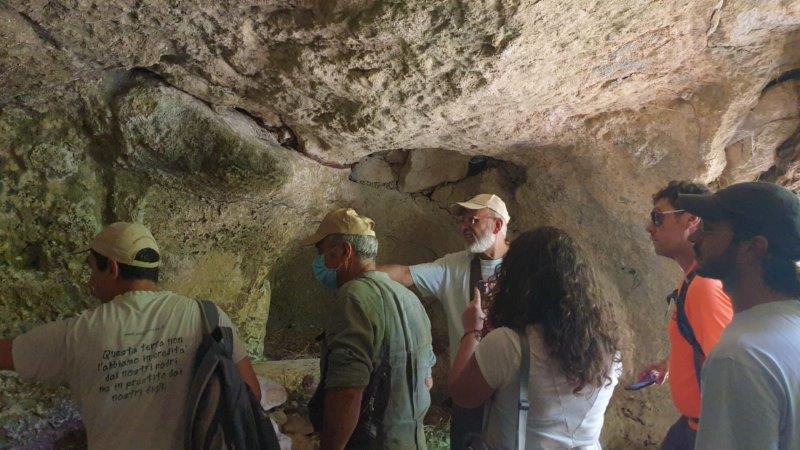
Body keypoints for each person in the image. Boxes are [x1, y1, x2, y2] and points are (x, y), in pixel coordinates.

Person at [0, 222, 259, 449]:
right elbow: (251, 394)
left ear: (112, 268)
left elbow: (8, 355)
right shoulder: (208, 317)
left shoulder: (79, 333)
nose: (91, 281)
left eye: (92, 269)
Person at [448, 226, 623, 449]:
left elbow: (462, 395)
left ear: (517, 281)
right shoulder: (608, 349)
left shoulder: (507, 345)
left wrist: (472, 331)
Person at [379, 193, 510, 449]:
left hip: (509, 393)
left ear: (497, 225)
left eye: (472, 219)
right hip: (467, 390)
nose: (464, 227)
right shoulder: (454, 266)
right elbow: (406, 274)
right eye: (461, 221)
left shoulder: (523, 266)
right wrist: (357, 270)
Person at [678, 181, 800, 450]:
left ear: (752, 248)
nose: (693, 237)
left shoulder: (739, 357)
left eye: (708, 229)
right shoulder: (791, 325)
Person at [301, 208, 436, 450]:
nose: (319, 261)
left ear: (345, 252)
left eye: (321, 253)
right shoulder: (409, 298)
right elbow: (427, 382)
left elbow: (348, 392)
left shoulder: (352, 297)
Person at [637, 181, 733, 449]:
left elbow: (730, 369)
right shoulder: (692, 280)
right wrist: (673, 364)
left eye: (658, 218)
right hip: (693, 425)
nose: (649, 227)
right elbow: (703, 344)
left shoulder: (703, 287)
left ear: (691, 220)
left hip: (709, 433)